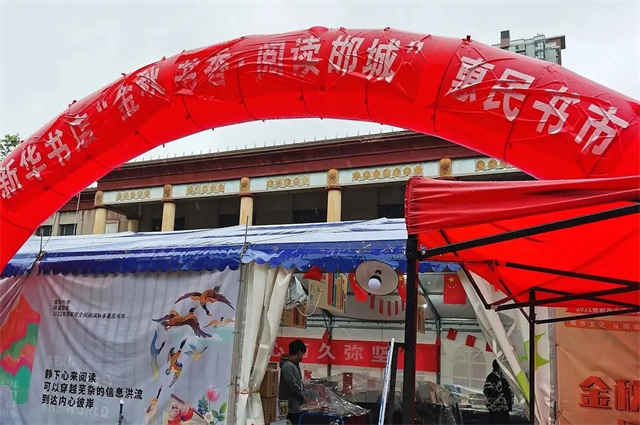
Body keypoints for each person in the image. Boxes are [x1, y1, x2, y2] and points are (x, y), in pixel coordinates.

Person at [279, 339, 307, 424]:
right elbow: (293, 385)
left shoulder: (293, 365)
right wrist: (303, 397)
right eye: (302, 354)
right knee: (287, 421)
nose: (302, 357)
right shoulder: (288, 366)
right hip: (288, 405)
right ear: (299, 352)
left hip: (292, 405)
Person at [483, 360, 513, 425]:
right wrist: (501, 395)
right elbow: (487, 391)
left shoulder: (503, 377)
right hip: (496, 411)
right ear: (498, 367)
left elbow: (509, 391)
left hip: (505, 410)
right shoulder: (492, 377)